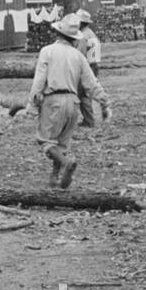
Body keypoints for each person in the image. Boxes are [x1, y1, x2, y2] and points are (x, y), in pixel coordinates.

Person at [25, 14, 110, 188]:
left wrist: (32, 103)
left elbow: (39, 80)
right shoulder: (78, 56)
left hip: (53, 100)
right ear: (74, 38)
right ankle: (55, 178)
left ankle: (65, 164)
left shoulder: (47, 51)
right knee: (61, 144)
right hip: (73, 102)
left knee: (46, 141)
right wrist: (104, 101)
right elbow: (91, 83)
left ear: (57, 33)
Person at [73, 8, 101, 76]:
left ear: (81, 23)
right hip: (93, 67)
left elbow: (78, 55)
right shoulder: (90, 33)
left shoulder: (83, 37)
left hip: (86, 70)